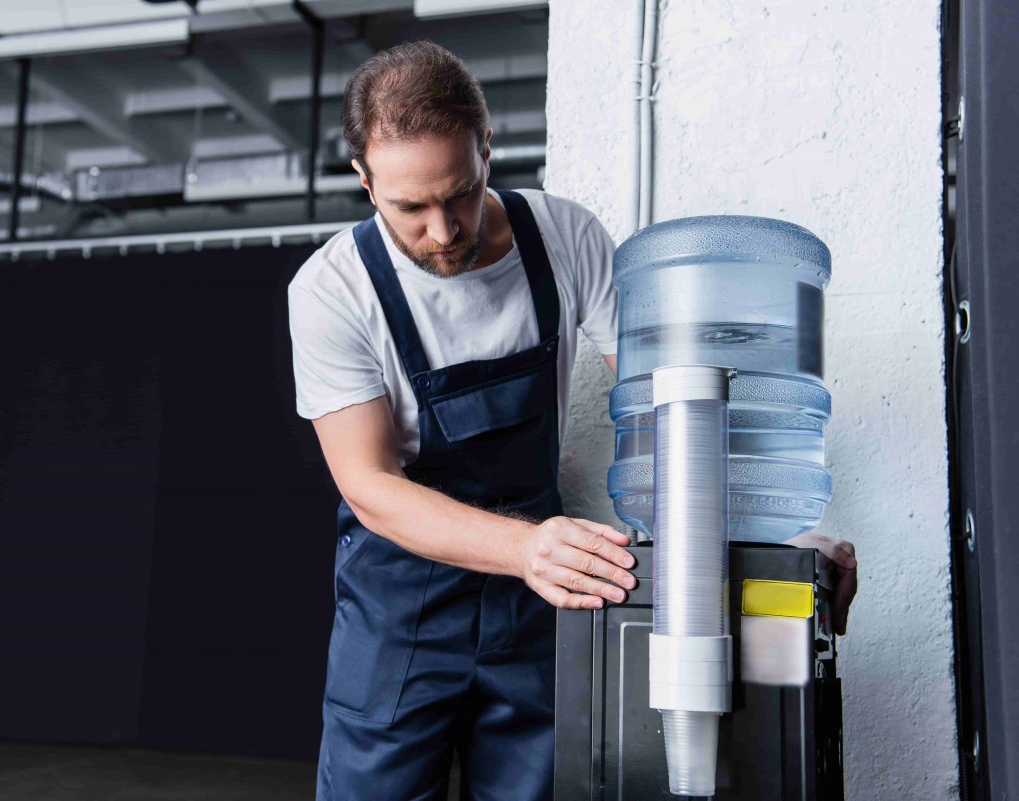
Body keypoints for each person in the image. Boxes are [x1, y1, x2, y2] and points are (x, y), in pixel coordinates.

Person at [287, 39, 857, 801]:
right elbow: (369, 486)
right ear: (363, 179)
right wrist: (524, 547)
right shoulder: (332, 291)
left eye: (458, 192)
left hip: (541, 606)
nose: (444, 229)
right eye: (409, 207)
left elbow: (673, 413)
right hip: (403, 613)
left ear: (488, 148)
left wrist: (782, 547)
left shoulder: (563, 237)